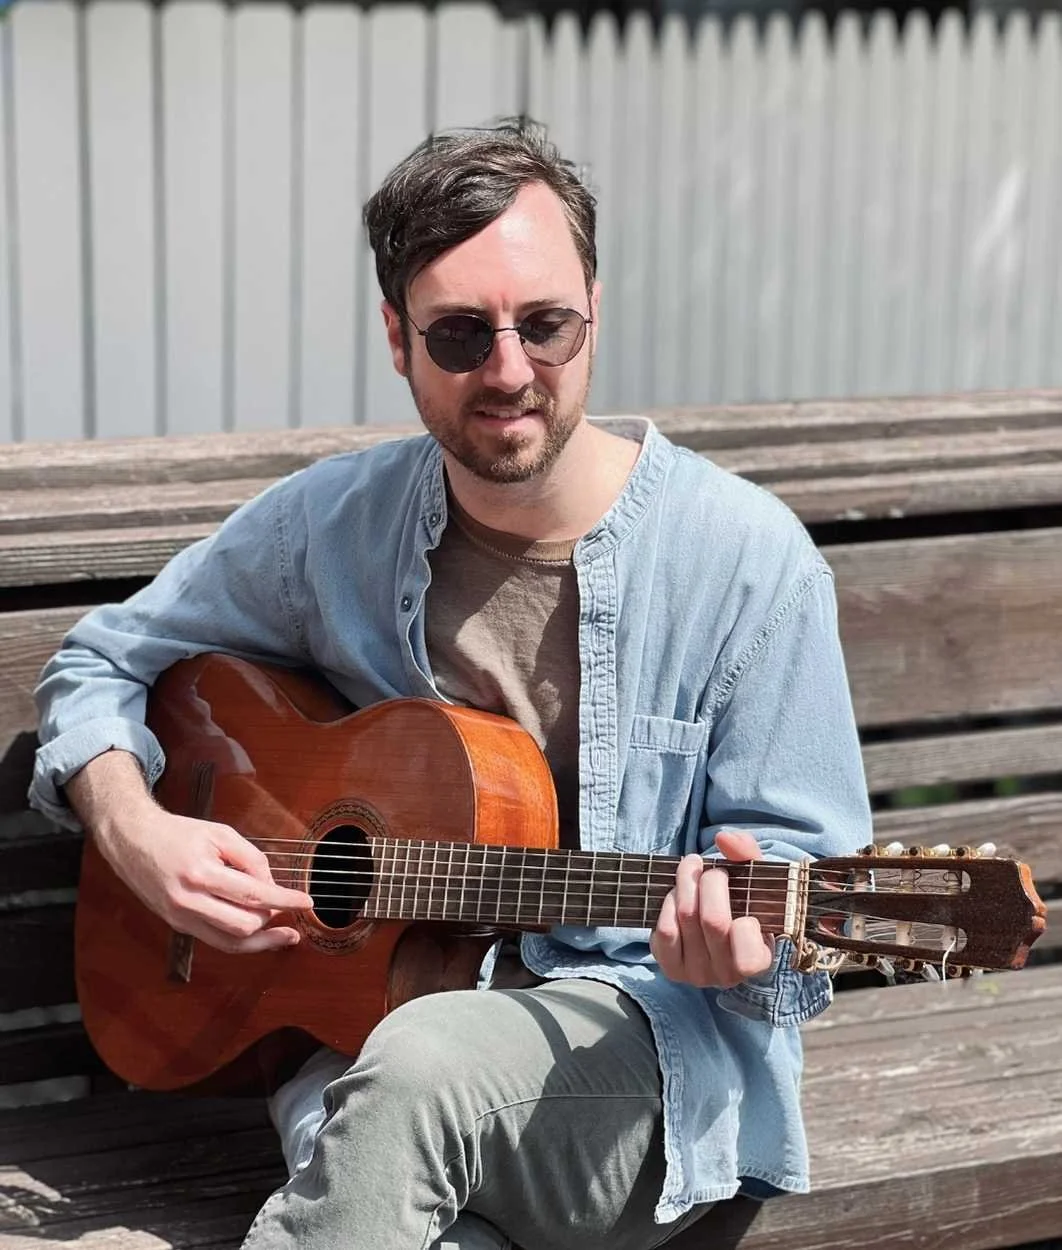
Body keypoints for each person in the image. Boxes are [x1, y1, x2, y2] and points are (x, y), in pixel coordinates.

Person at [30, 119, 871, 1250]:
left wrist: (746, 947)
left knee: (424, 1067)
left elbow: (813, 884)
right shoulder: (329, 528)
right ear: (397, 337)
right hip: (363, 1066)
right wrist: (137, 828)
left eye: (546, 325)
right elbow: (101, 659)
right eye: (463, 333)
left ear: (595, 311)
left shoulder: (745, 561)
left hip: (641, 1061)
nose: (510, 369)